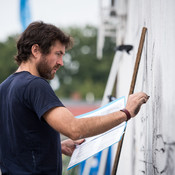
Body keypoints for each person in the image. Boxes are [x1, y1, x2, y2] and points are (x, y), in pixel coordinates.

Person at [0, 21, 149, 175]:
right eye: (57, 54)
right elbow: (74, 129)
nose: (61, 63)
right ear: (36, 50)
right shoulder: (35, 85)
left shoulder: (3, 88)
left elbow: (15, 146)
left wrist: (55, 147)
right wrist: (126, 112)